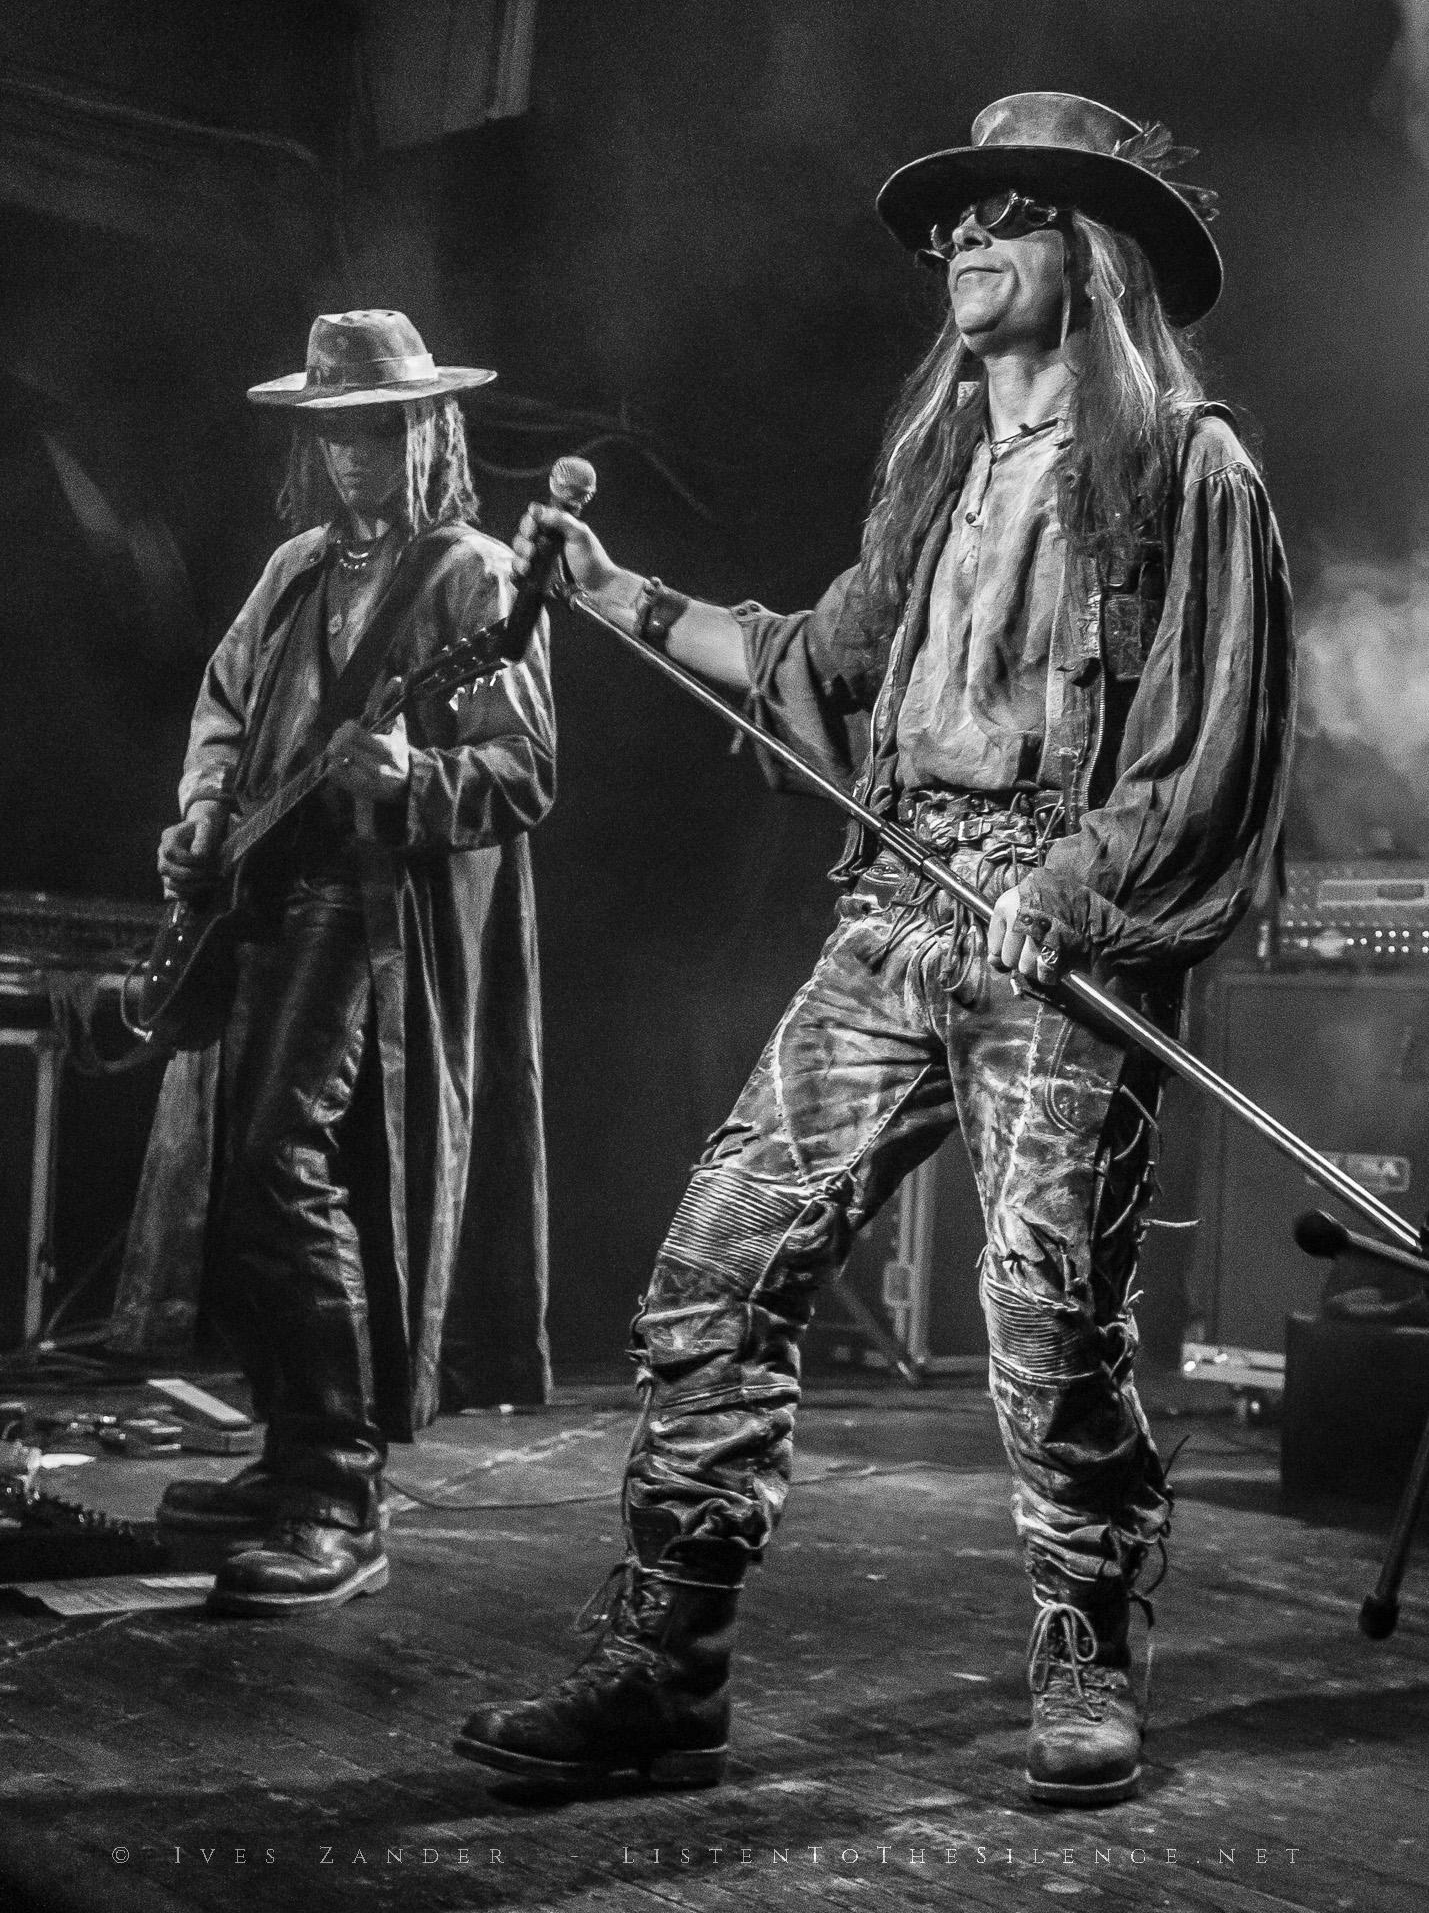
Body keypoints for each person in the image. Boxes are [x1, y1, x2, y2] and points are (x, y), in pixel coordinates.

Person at [454, 94, 1295, 1804]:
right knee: (714, 1266)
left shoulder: (1183, 468)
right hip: (891, 929)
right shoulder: (940, 476)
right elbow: (811, 666)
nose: (961, 245)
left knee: (1048, 1318)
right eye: (951, 224)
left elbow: (1206, 747)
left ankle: (1084, 1654)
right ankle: (664, 1665)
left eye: (1006, 216)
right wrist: (613, 592)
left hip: (1055, 949)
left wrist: (1066, 886)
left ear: (1092, 254)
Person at [146, 309, 556, 1615]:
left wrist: (413, 772)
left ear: (422, 427)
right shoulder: (290, 573)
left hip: (367, 906)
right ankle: (287, 1451)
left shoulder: (476, 578)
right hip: (263, 898)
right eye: (332, 435)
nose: (351, 460)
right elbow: (223, 713)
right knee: (239, 1177)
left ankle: (336, 1492)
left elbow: (525, 771)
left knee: (283, 1161)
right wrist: (204, 809)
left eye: (375, 431)